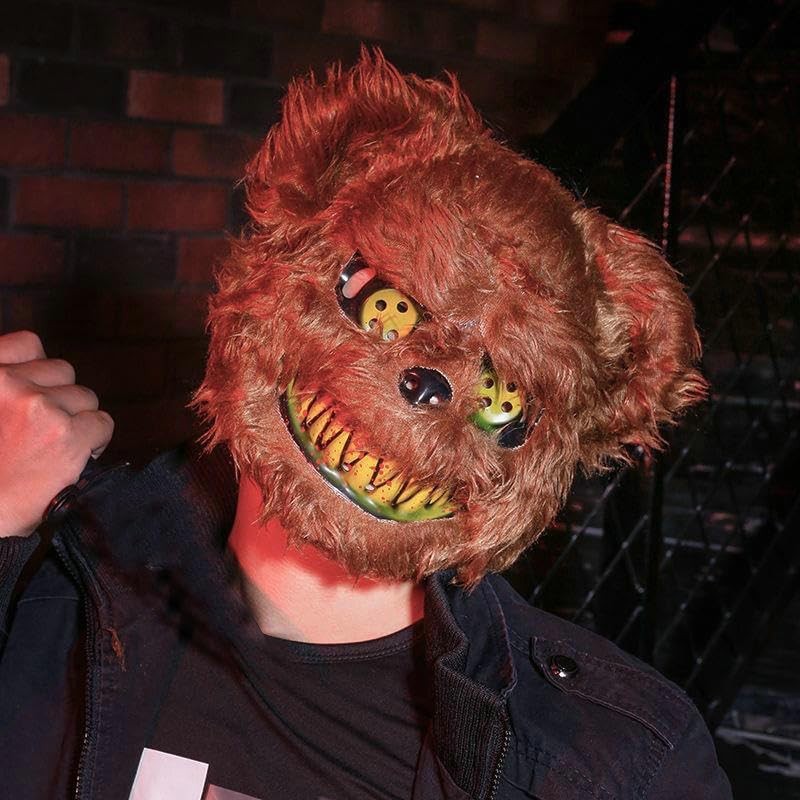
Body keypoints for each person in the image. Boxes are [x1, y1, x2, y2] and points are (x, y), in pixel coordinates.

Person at [0, 51, 731, 799]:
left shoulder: (626, 766)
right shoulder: (42, 591)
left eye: (503, 399)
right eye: (390, 308)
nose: (429, 384)